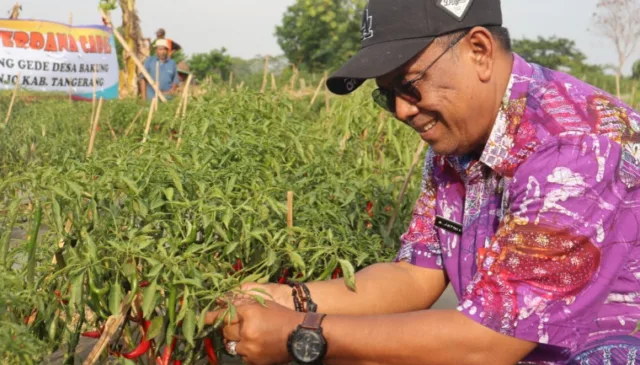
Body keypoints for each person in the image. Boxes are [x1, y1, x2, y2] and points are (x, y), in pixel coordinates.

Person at [206, 0, 640, 364]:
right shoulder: (457, 144)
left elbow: (489, 343)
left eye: (410, 85)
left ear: (479, 51)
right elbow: (414, 276)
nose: (401, 110)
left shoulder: (576, 148)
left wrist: (303, 335)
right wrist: (287, 299)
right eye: (386, 94)